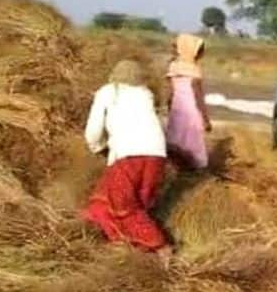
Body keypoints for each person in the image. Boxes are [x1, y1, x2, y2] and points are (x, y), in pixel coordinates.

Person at [81, 60, 170, 254]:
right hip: (157, 156)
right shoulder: (146, 94)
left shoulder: (108, 92)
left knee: (124, 206)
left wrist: (97, 147)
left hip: (130, 157)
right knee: (105, 203)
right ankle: (122, 245)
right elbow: (159, 125)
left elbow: (93, 131)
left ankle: (160, 247)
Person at [166, 34, 212, 170]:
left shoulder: (173, 66)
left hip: (176, 109)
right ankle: (195, 167)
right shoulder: (194, 69)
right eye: (199, 51)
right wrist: (206, 118)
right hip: (191, 111)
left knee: (176, 138)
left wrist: (169, 108)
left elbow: (169, 92)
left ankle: (176, 167)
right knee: (192, 140)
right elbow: (198, 97)